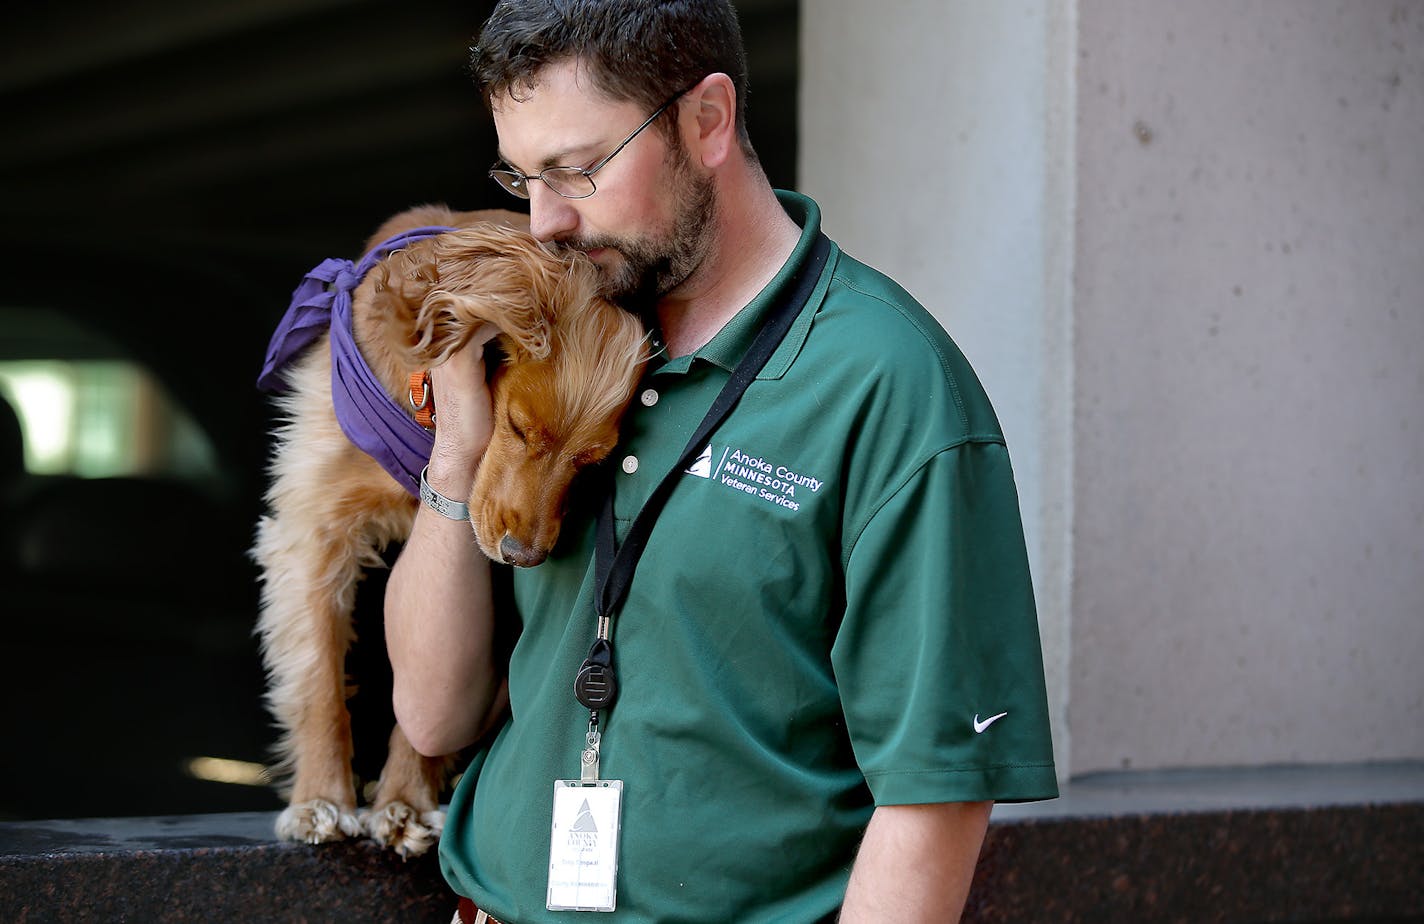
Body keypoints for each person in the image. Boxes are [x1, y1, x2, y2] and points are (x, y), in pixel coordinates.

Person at [384, 2, 1059, 921]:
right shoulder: (562, 324)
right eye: (521, 174)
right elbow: (431, 714)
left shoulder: (886, 383)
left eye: (576, 169)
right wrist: (462, 447)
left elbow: (934, 797)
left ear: (707, 120)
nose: (542, 221)